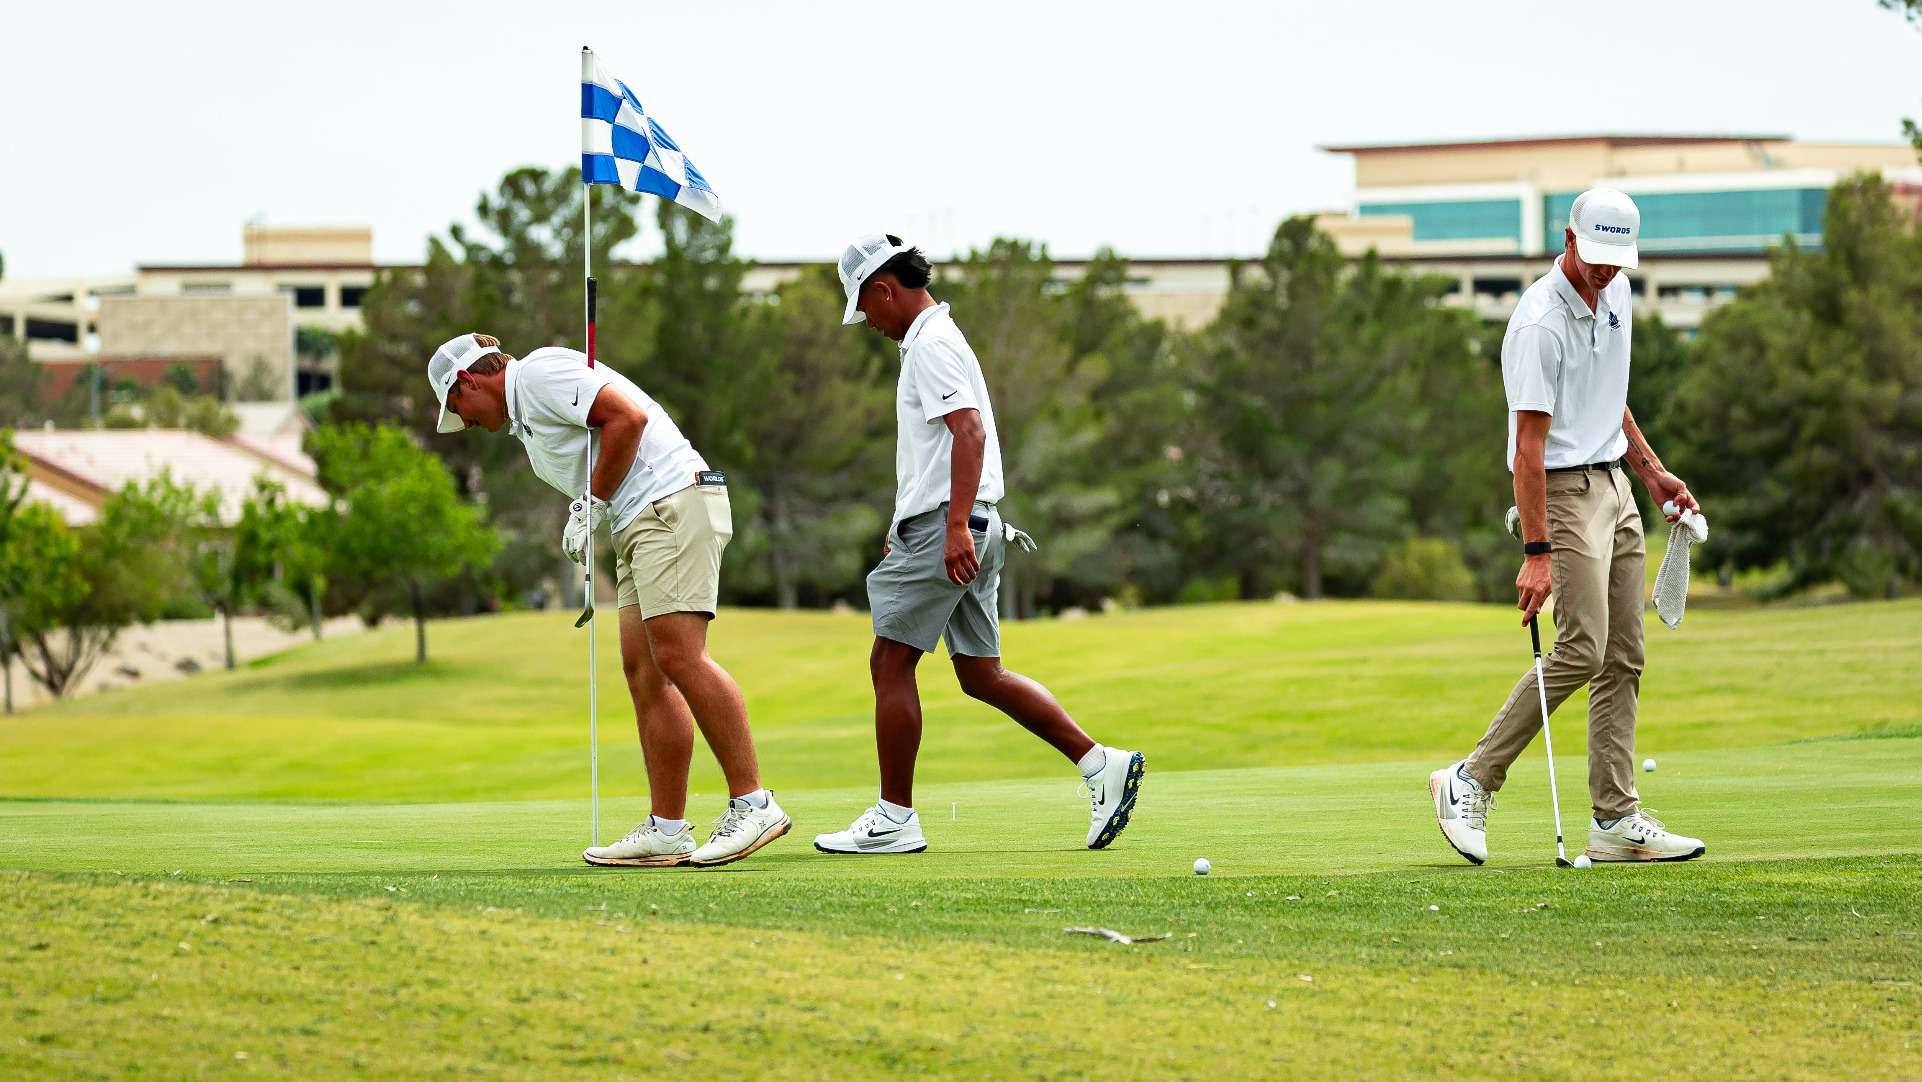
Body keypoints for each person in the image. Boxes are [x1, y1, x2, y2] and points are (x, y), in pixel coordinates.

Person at [812, 235, 1145, 856]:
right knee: (980, 674)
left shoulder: (930, 345)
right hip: (969, 522)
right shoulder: (942, 338)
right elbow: (938, 451)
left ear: (883, 289)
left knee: (890, 664)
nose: (871, 325)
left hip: (955, 526)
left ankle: (895, 817)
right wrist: (914, 524)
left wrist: (953, 525)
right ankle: (1100, 763)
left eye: (867, 308)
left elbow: (969, 432)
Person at [429, 332, 788, 868]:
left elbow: (627, 419)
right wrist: (592, 508)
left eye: (459, 408)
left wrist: (590, 502)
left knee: (679, 654)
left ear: (468, 381)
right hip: (636, 520)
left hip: (670, 501)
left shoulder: (540, 374)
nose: (468, 423)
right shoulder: (526, 412)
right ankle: (668, 829)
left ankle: (754, 803)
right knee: (644, 669)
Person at [1430, 189, 1706, 865]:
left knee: (1624, 654)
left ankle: (1615, 819)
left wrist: (1651, 471)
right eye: (1598, 256)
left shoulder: (1618, 297)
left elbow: (1608, 398)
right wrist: (1536, 550)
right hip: (1560, 489)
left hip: (1615, 481)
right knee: (1582, 648)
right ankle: (1471, 778)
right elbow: (1528, 448)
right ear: (1570, 238)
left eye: (1620, 260)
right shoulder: (1539, 324)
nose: (1609, 271)